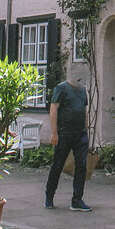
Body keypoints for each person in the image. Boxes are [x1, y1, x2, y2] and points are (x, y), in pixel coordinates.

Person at [45, 69, 93, 211]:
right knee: (58, 165)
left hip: (80, 134)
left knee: (81, 166)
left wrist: (86, 130)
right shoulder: (61, 88)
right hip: (64, 133)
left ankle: (77, 200)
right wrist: (54, 133)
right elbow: (53, 109)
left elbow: (84, 111)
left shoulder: (83, 90)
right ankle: (49, 196)